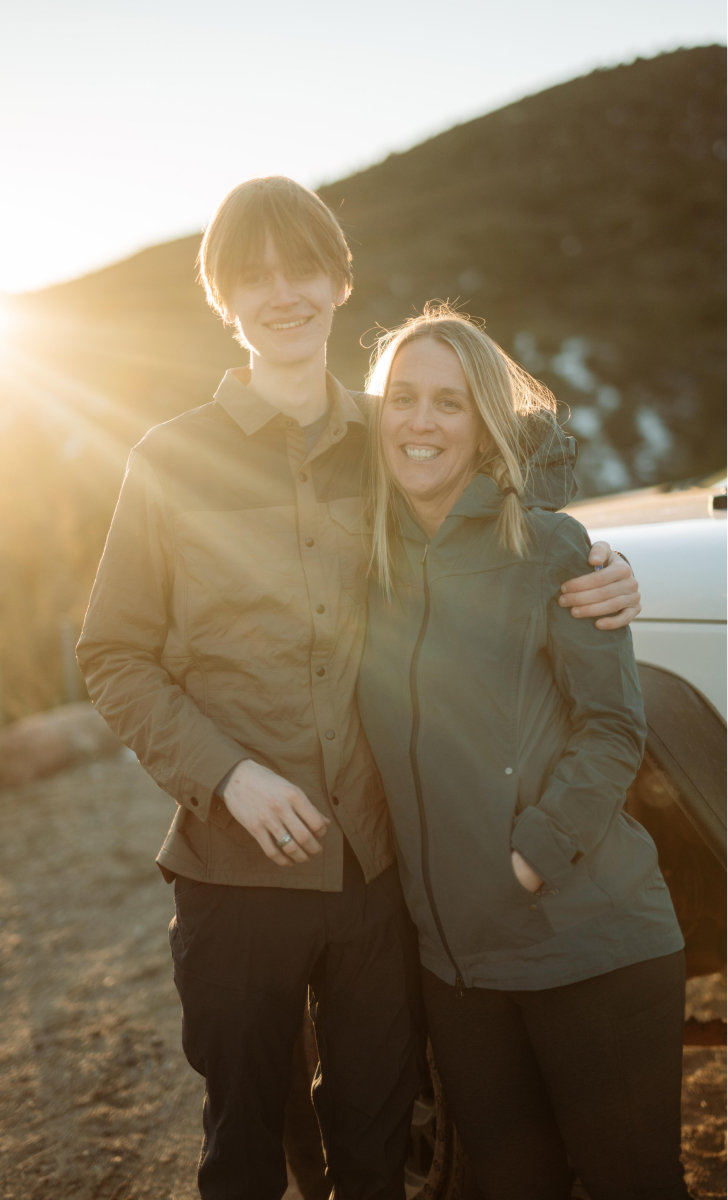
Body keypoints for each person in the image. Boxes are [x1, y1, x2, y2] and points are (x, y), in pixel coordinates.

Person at [76, 178, 642, 1200]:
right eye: (252, 277)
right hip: (231, 871)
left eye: (302, 269)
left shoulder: (388, 447)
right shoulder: (166, 461)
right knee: (243, 1150)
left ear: (341, 282)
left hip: (381, 877)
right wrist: (230, 775)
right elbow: (113, 655)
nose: (280, 293)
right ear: (222, 299)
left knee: (377, 1152)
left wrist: (596, 564)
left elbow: (508, 475)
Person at [356, 306, 688, 1200]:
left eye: (451, 404)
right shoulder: (361, 565)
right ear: (375, 414)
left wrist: (531, 859)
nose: (422, 423)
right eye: (405, 399)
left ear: (485, 426)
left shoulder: (547, 545)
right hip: (456, 972)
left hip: (589, 945)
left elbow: (615, 726)